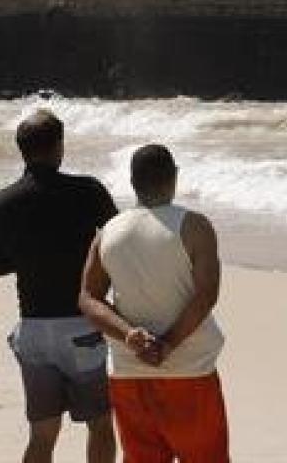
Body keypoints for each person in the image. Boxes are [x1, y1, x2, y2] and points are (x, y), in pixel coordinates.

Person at [0, 109, 119, 463]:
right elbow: (120, 243)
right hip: (82, 325)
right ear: (59, 146)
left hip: (34, 330)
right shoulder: (87, 191)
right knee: (101, 425)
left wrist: (30, 255)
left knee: (42, 436)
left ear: (22, 150)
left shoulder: (1, 202)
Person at [79, 144, 228, 463]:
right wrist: (169, 343)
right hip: (190, 370)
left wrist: (129, 336)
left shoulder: (109, 232)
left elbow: (89, 298)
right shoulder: (194, 226)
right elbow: (206, 294)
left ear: (133, 182)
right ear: (174, 177)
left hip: (129, 372)